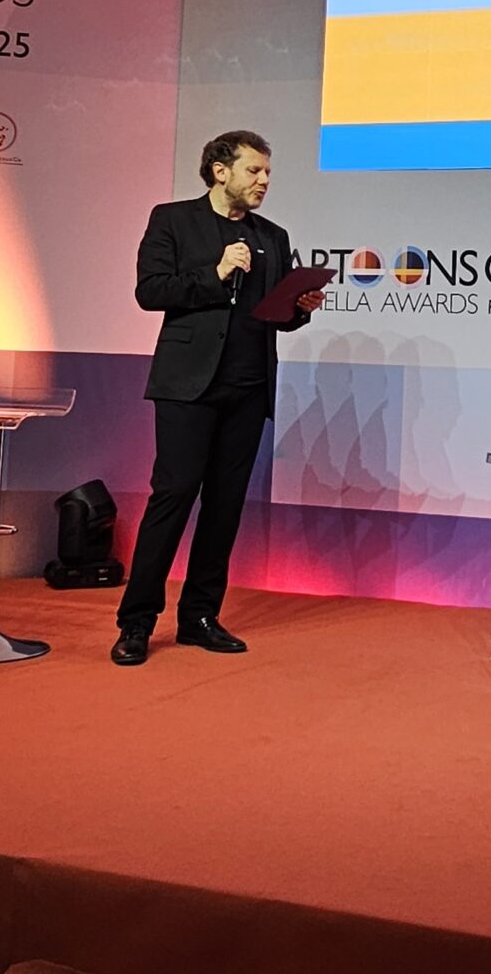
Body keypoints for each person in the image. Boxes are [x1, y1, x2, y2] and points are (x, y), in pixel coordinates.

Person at [111, 130, 324, 665]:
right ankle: (136, 621)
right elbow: (150, 291)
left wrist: (299, 308)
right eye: (254, 170)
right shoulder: (172, 220)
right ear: (219, 171)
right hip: (188, 386)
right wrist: (216, 272)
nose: (264, 181)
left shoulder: (273, 236)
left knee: (225, 507)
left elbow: (275, 316)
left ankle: (200, 617)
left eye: (268, 172)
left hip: (249, 388)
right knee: (173, 497)